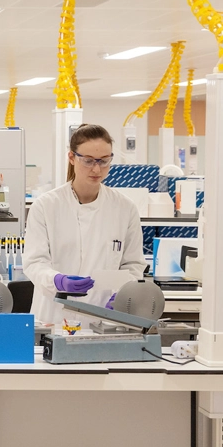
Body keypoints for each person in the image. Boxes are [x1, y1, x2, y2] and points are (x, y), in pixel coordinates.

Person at [22, 124, 147, 327]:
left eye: (104, 161)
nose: (96, 169)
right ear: (72, 158)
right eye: (88, 161)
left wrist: (125, 293)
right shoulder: (46, 206)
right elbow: (34, 263)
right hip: (53, 314)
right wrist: (58, 281)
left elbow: (133, 265)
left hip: (102, 316)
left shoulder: (125, 208)